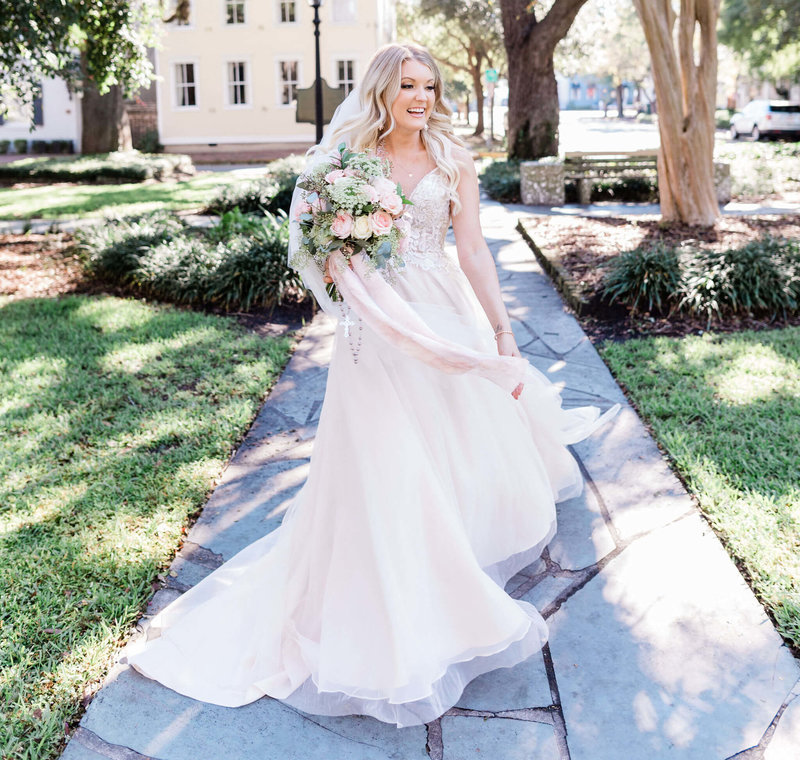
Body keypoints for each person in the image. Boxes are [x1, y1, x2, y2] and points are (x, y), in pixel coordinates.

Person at [127, 42, 617, 727]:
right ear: (384, 91)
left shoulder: (453, 157)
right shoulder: (345, 165)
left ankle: (441, 571)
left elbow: (471, 245)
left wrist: (501, 330)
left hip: (441, 312)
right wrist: (358, 289)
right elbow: (323, 250)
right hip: (374, 329)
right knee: (387, 458)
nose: (422, 97)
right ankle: (394, 596)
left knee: (449, 447)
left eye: (430, 86)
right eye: (409, 86)